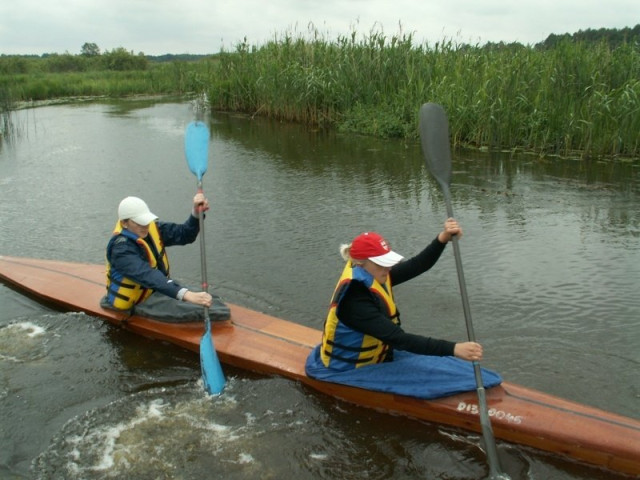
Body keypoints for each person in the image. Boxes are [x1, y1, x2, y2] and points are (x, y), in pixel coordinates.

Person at [305, 219, 502, 399]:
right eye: (381, 264)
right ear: (360, 262)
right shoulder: (355, 301)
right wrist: (454, 348)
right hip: (350, 369)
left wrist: (442, 239)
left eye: (387, 262)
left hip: (379, 356)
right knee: (439, 373)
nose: (388, 268)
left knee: (457, 371)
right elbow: (400, 339)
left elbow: (417, 265)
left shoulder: (372, 273)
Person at [101, 194, 230, 322]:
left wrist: (196, 214)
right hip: (139, 302)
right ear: (124, 223)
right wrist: (186, 295)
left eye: (146, 221)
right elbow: (148, 275)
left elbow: (184, 234)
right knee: (209, 311)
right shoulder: (121, 249)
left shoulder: (152, 228)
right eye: (139, 222)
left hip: (155, 289)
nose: (145, 226)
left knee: (214, 301)